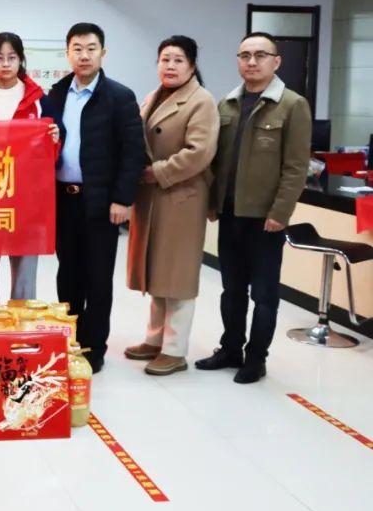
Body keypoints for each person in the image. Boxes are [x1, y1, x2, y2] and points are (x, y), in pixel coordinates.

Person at [196, 32, 311, 384]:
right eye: (245, 55)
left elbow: (296, 168)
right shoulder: (227, 104)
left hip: (265, 219)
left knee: (263, 295)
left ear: (276, 61)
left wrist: (280, 213)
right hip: (230, 213)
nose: (251, 61)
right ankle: (230, 349)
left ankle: (256, 358)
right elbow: (215, 161)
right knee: (231, 291)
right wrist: (213, 202)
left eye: (260, 55)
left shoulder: (292, 105)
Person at [47, 22, 145, 373]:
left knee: (98, 278)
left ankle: (94, 347)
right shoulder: (56, 94)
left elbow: (133, 152)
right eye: (77, 49)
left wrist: (123, 199)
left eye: (91, 49)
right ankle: (70, 340)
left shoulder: (119, 96)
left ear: (103, 53)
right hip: (63, 200)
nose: (84, 55)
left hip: (102, 203)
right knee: (67, 275)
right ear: (67, 53)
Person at [124, 36, 219, 375]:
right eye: (165, 59)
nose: (170, 66)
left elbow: (199, 152)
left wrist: (157, 172)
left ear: (192, 66)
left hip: (181, 197)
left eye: (178, 60)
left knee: (177, 276)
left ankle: (175, 350)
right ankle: (154, 339)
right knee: (157, 272)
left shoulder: (201, 101)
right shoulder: (154, 96)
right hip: (153, 197)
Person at [0, 32, 59, 304]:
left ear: (21, 60)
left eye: (12, 57)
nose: (6, 64)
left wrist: (55, 139)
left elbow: (52, 153)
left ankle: (22, 319)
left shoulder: (40, 99)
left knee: (25, 269)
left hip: (26, 196)